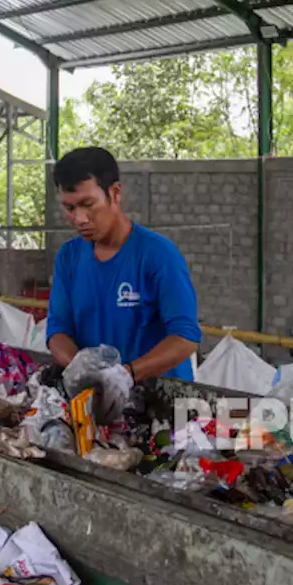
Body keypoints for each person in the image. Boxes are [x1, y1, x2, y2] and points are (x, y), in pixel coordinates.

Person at [46, 147, 202, 421]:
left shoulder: (158, 255)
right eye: (69, 208)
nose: (79, 219)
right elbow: (58, 331)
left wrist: (125, 374)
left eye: (88, 204)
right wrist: (82, 369)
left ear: (115, 193)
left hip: (163, 407)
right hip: (99, 404)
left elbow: (185, 337)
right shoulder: (69, 258)